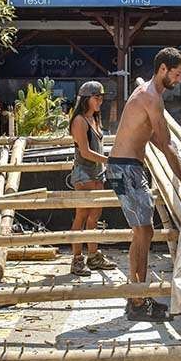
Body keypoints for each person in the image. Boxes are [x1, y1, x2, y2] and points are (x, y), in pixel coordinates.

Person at [106, 47, 181, 322]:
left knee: (142, 232)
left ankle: (138, 296)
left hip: (129, 167)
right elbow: (166, 144)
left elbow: (156, 138)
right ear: (163, 70)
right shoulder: (151, 98)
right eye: (177, 74)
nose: (179, 80)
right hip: (125, 169)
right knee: (144, 232)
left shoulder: (148, 94)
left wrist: (180, 158)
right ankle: (137, 301)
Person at [68, 81, 117, 276]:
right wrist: (108, 160)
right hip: (84, 172)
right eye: (97, 98)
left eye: (101, 98)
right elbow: (86, 152)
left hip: (97, 172)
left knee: (94, 216)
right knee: (81, 215)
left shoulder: (95, 119)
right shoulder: (79, 120)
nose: (100, 101)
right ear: (87, 99)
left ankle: (93, 255)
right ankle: (77, 259)